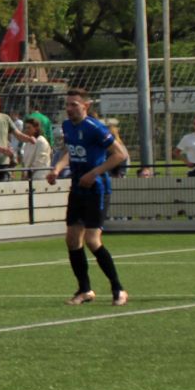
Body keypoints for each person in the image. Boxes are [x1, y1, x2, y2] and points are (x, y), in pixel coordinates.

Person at [48, 88, 129, 306]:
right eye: (67, 104)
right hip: (77, 188)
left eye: (74, 104)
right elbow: (69, 151)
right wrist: (57, 169)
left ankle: (118, 289)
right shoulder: (67, 126)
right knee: (72, 239)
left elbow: (120, 155)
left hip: (97, 189)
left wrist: (94, 173)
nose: (70, 108)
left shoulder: (95, 128)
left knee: (92, 241)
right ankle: (84, 290)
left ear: (86, 106)